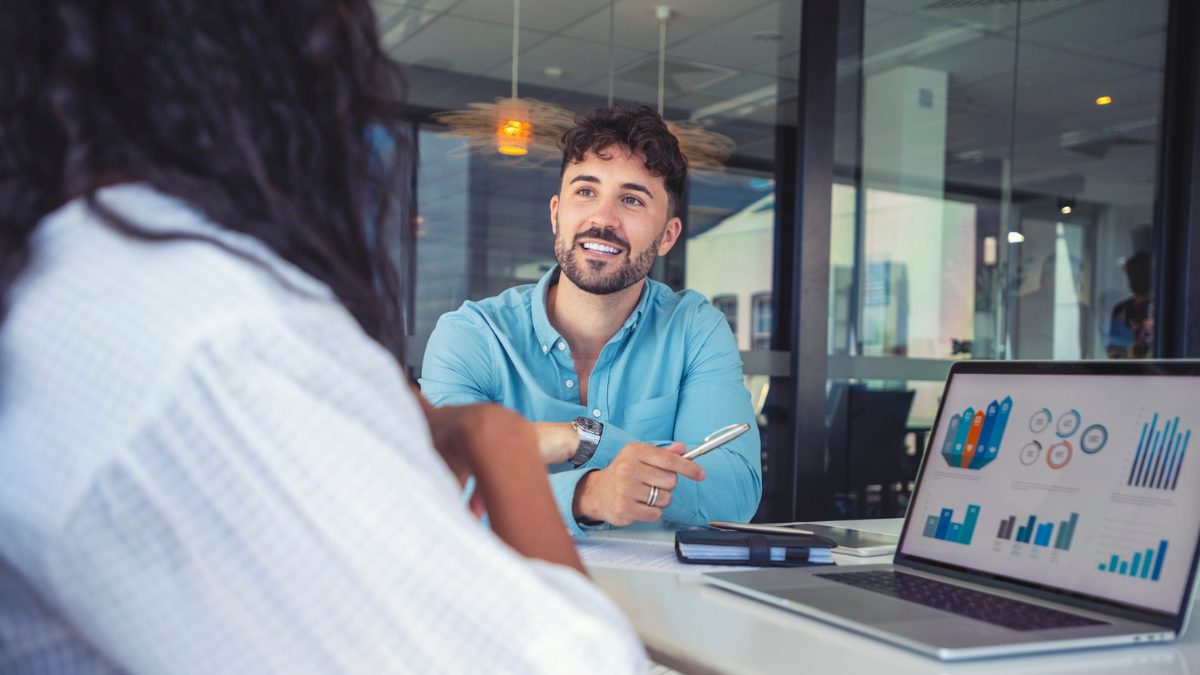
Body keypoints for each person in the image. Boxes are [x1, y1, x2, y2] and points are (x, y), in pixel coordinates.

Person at [0, 1, 643, 672]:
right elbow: (574, 659)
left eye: (633, 198)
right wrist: (506, 444)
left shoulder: (73, 275)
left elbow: (725, 487)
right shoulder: (213, 335)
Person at [421, 106, 762, 537]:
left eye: (632, 199)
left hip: (661, 601)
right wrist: (587, 495)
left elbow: (732, 494)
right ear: (555, 214)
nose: (602, 219)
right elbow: (436, 488)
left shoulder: (694, 330)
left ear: (668, 236)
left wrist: (588, 439)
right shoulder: (472, 337)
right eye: (585, 192)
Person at [1106, 250, 1153, 359]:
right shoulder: (1120, 310)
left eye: (1142, 273)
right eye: (1132, 274)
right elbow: (1113, 351)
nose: (1137, 278)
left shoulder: (1161, 309)